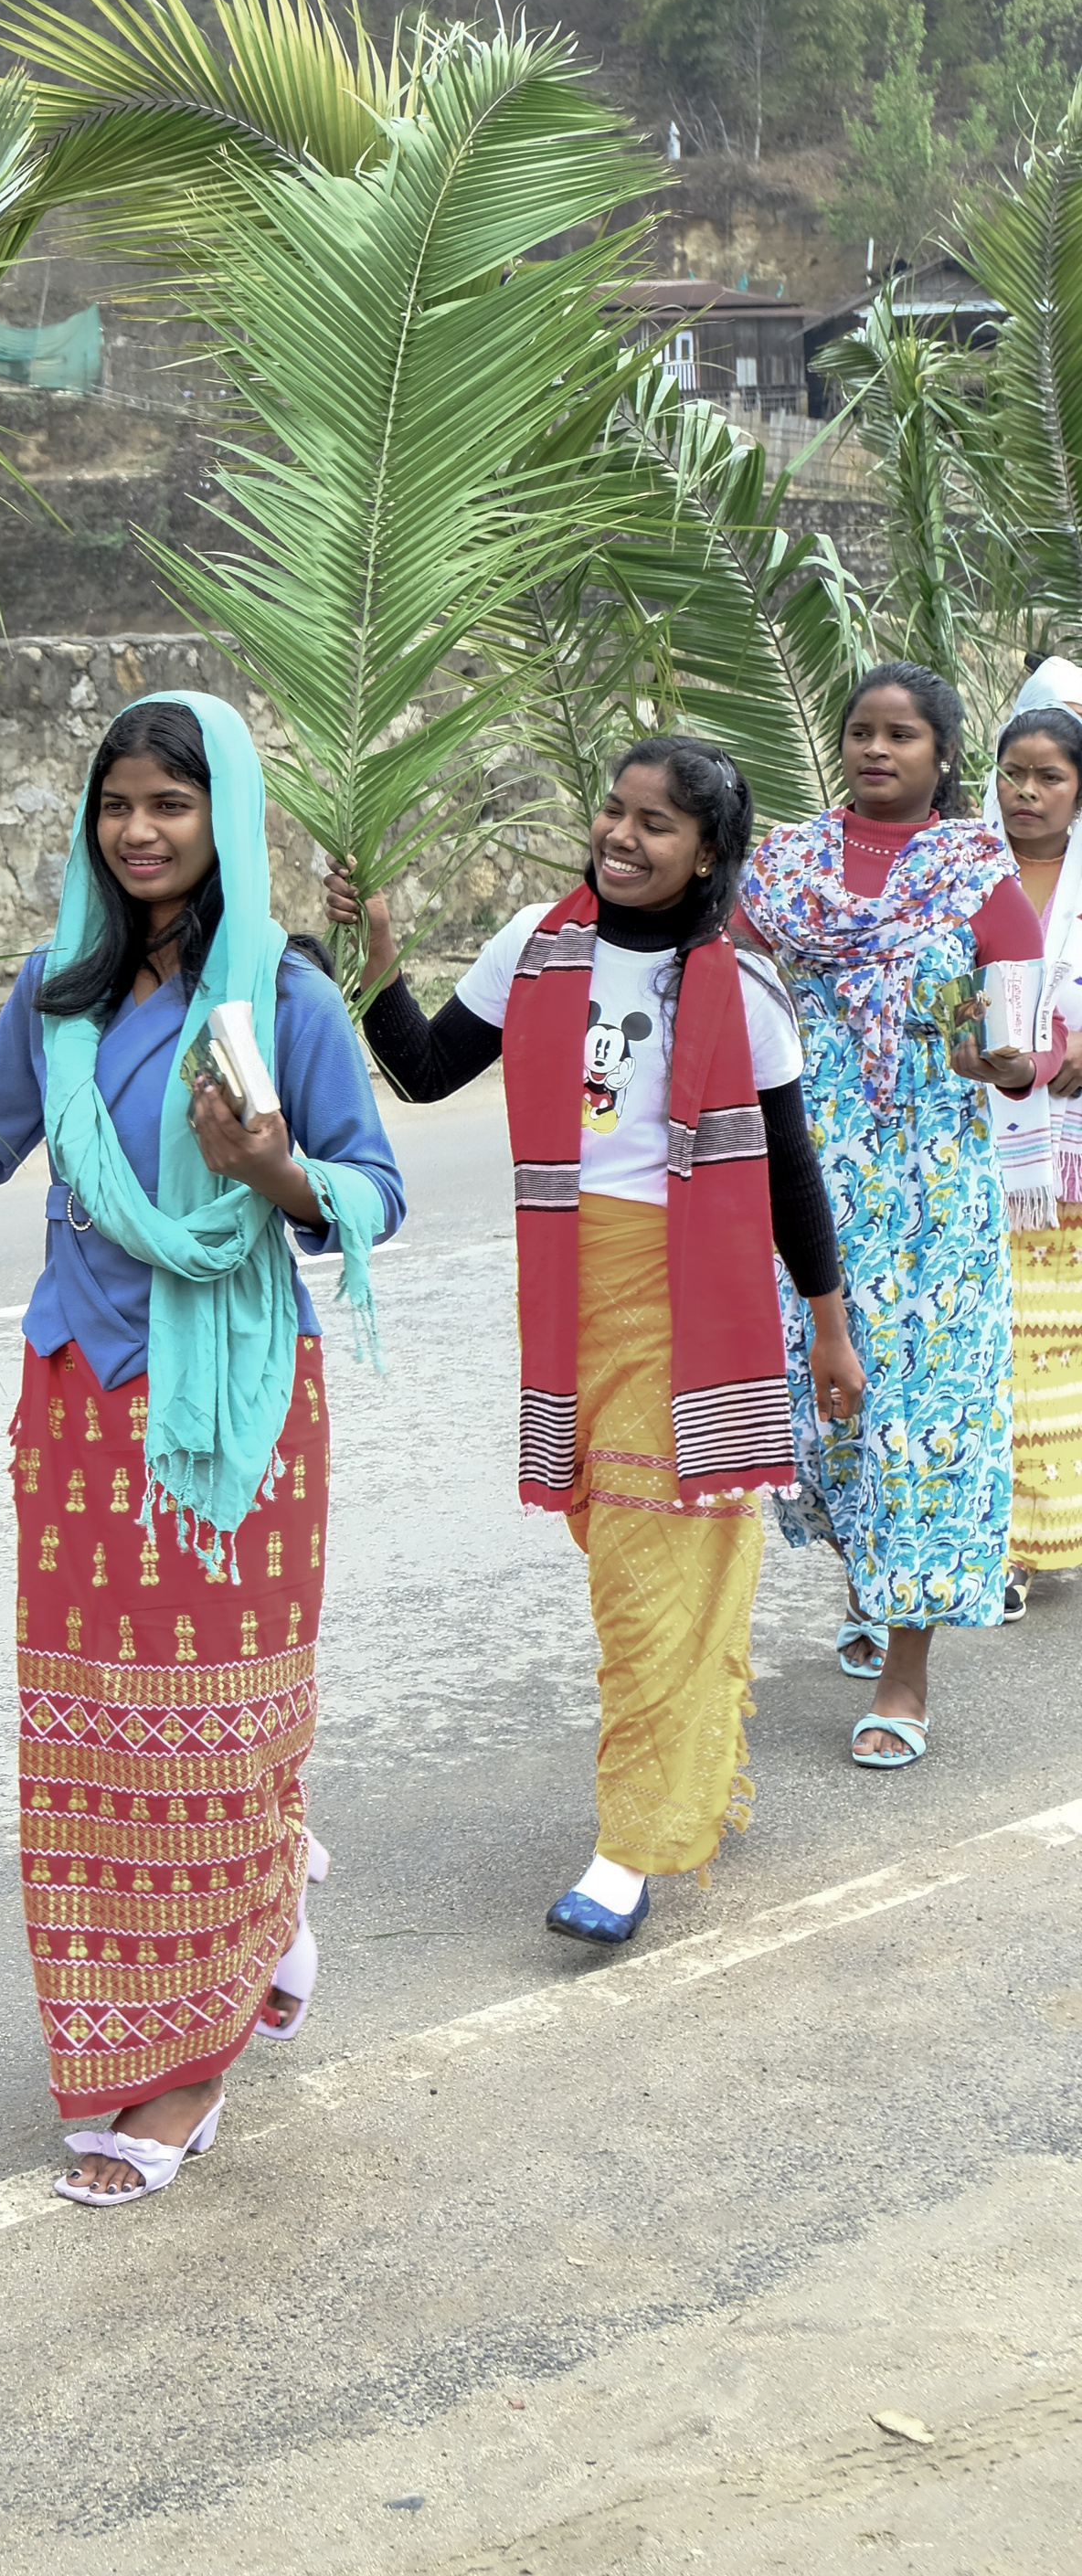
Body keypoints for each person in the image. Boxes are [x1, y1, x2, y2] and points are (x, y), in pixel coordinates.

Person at [0, 694, 402, 2204]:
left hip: (235, 1401)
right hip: (80, 1403)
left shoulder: (286, 997)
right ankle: (215, 1951)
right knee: (102, 1746)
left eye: (171, 802)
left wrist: (272, 1170)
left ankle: (191, 2064)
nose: (140, 831)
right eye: (117, 803)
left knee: (217, 1732)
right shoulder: (58, 993)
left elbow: (375, 1190)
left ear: (219, 817)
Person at [329, 738, 860, 1945]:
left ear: (708, 852)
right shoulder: (537, 942)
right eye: (613, 812)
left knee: (646, 1578)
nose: (622, 836)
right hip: (573, 1300)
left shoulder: (744, 986)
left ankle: (627, 1848)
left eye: (656, 824)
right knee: (637, 1569)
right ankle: (689, 1763)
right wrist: (377, 963)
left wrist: (830, 1331)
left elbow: (789, 1177)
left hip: (696, 1317)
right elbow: (421, 1073)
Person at [741, 663, 1045, 1769]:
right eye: (860, 730)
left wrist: (1008, 1059)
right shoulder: (780, 865)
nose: (877, 749)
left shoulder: (974, 869)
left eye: (901, 735)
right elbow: (713, 972)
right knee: (818, 1409)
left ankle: (908, 1668)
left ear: (939, 755)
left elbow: (1021, 1022)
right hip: (806, 1173)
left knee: (922, 1413)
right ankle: (873, 1575)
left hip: (928, 1190)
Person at [981, 684, 1082, 1614]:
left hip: (1076, 1147)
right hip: (994, 1152)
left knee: (1067, 1354)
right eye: (1012, 773)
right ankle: (1012, 1545)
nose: (1026, 792)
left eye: (1047, 777)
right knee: (1016, 1347)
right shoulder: (963, 876)